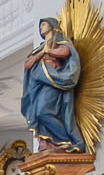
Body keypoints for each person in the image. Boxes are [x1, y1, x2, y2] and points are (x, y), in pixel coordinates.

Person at [22, 18, 84, 150]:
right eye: (40, 25)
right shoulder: (40, 48)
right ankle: (49, 141)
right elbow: (28, 64)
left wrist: (49, 51)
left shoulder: (59, 42)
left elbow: (66, 52)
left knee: (43, 112)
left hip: (53, 80)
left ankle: (65, 139)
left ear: (52, 26)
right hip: (40, 83)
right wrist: (41, 53)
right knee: (38, 113)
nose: (41, 27)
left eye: (43, 24)